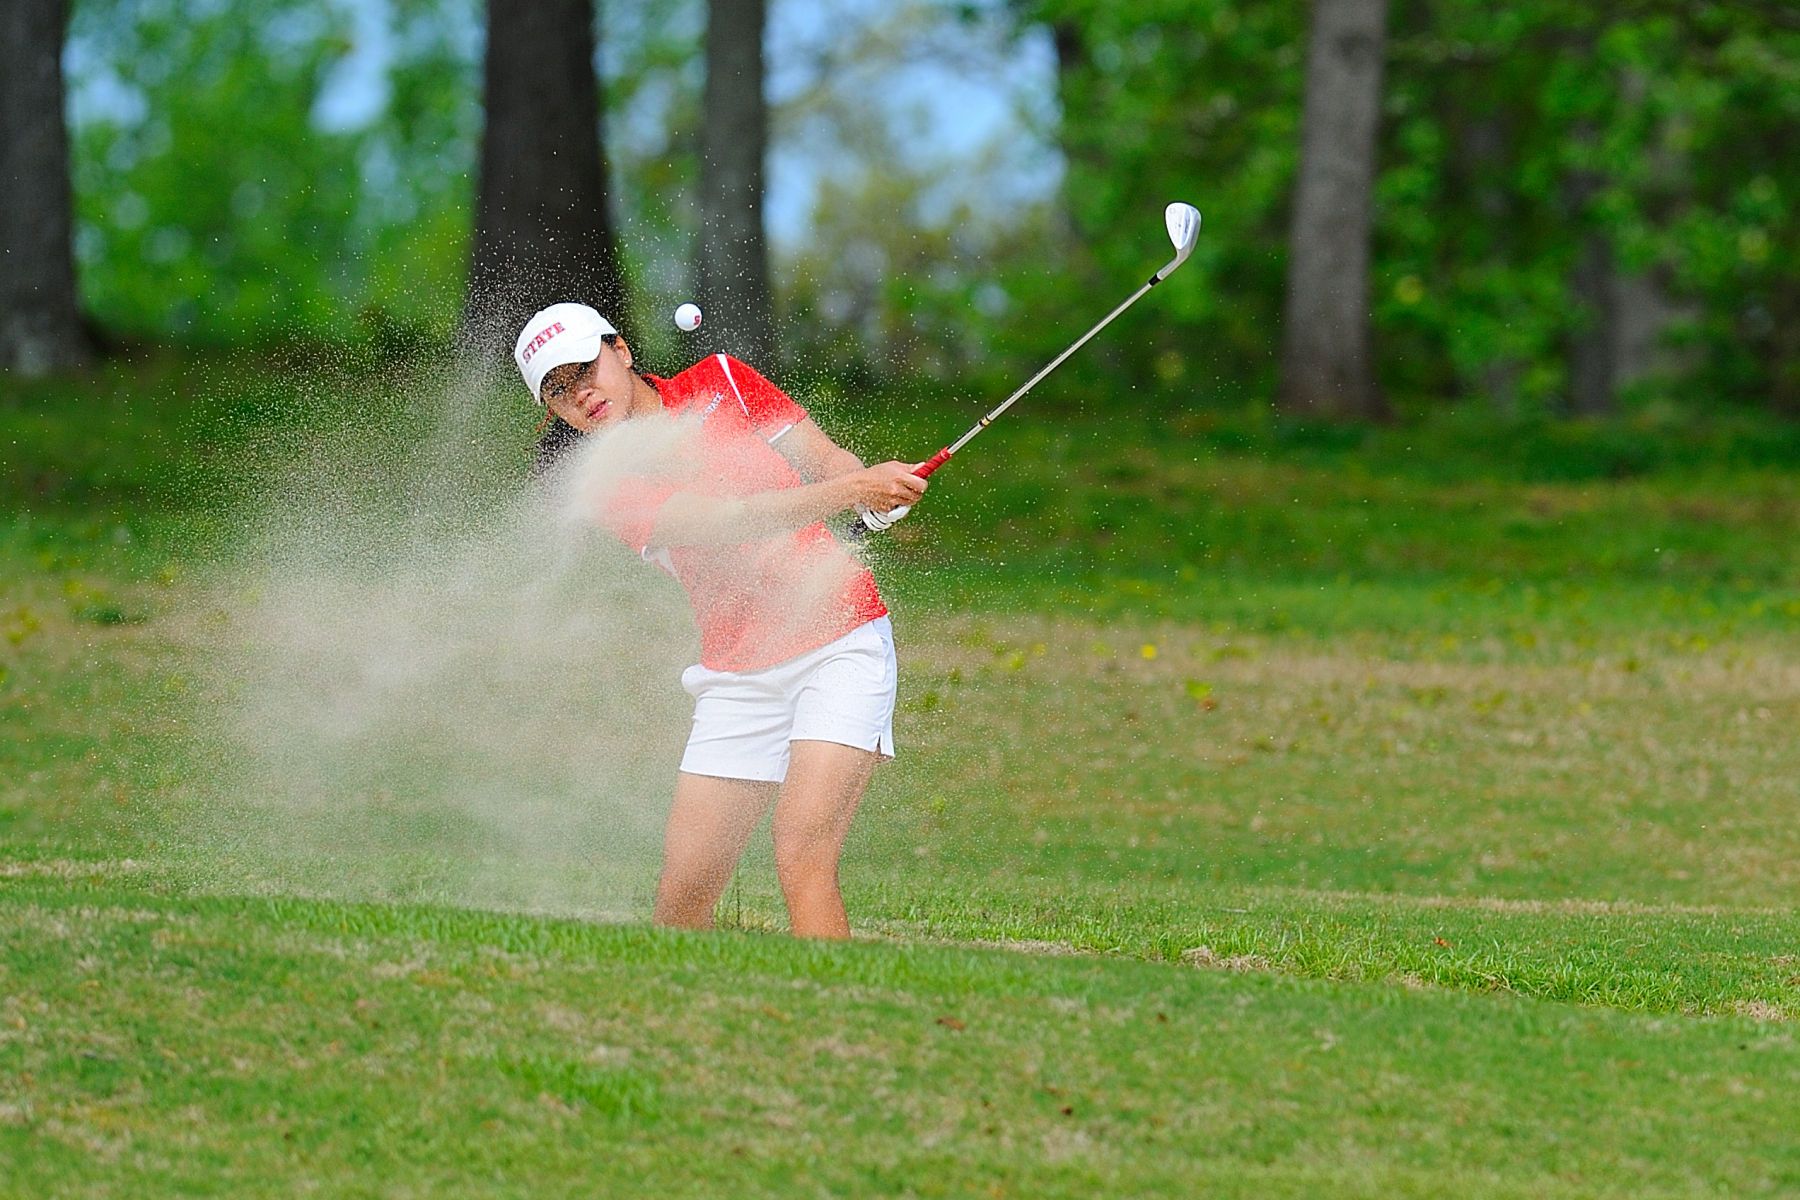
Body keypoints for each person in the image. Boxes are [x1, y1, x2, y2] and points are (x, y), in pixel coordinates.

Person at [515, 302, 926, 939]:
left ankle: (842, 1023)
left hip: (841, 640)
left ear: (620, 350)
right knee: (682, 902)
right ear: (554, 411)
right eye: (560, 390)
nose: (582, 393)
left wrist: (868, 487)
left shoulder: (723, 379)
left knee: (801, 855)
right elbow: (728, 519)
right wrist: (854, 494)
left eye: (584, 368)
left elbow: (825, 458)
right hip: (738, 676)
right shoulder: (598, 482)